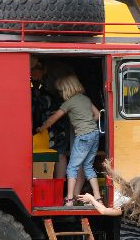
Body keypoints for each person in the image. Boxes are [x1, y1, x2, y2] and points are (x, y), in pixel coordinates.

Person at [36, 75, 101, 206]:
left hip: (82, 136)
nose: (60, 94)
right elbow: (98, 114)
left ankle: (69, 199)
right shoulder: (85, 98)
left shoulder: (69, 102)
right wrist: (88, 124)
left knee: (72, 167)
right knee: (88, 166)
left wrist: (41, 128)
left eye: (60, 91)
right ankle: (98, 197)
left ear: (66, 90)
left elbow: (53, 119)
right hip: (94, 134)